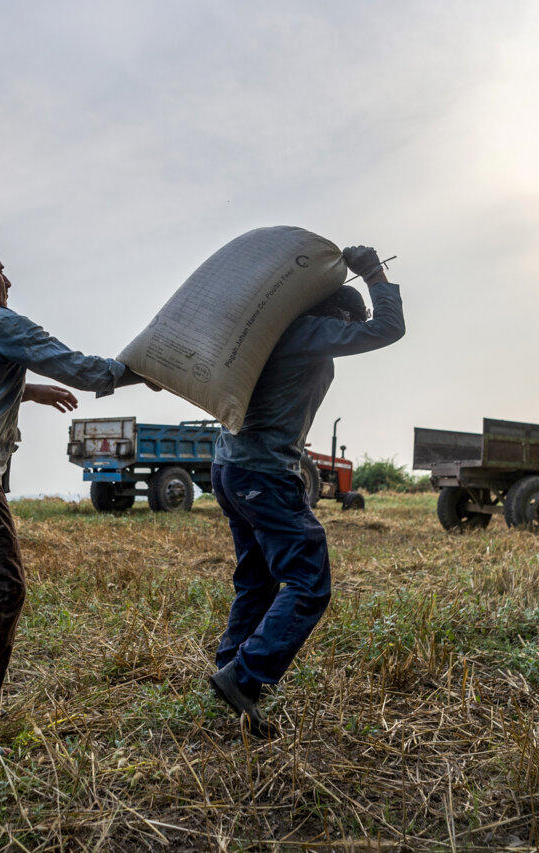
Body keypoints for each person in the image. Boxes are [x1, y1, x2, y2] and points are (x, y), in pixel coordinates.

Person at [0, 244, 150, 758]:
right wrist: (143, 369)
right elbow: (82, 368)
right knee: (0, 591)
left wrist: (29, 392)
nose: (9, 284)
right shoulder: (0, 323)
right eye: (3, 273)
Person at [207, 245, 405, 737]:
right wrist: (374, 275)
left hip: (229, 467)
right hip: (262, 472)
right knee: (308, 579)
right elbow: (388, 329)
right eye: (344, 326)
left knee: (257, 578)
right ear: (336, 318)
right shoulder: (309, 333)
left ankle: (230, 673)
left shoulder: (275, 333)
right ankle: (246, 676)